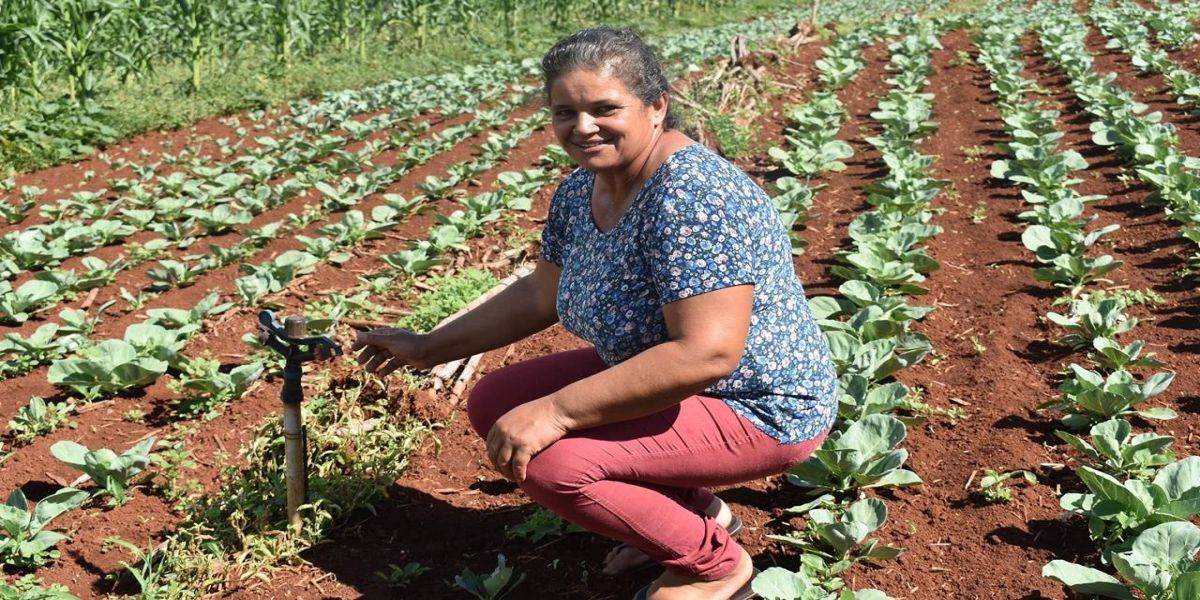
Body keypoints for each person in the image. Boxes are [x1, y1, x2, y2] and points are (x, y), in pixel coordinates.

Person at [350, 27, 838, 600]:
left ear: (656, 106)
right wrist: (429, 347)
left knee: (553, 462)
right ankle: (695, 513)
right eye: (565, 112)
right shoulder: (584, 187)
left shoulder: (693, 197)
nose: (582, 128)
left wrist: (555, 414)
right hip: (669, 378)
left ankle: (713, 568)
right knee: (495, 402)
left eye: (604, 108)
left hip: (754, 401)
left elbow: (707, 353)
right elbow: (540, 294)